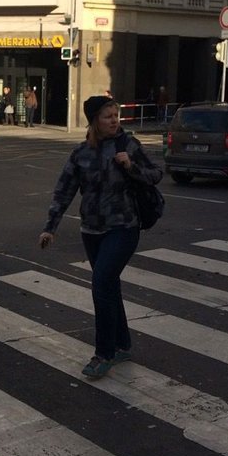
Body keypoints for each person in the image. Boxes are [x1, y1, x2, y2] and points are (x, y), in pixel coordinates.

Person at [38, 96, 163, 379]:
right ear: (94, 120)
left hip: (124, 228)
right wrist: (50, 227)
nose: (114, 120)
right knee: (109, 287)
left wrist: (131, 166)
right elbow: (64, 191)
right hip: (91, 231)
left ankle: (103, 353)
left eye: (116, 115)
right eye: (108, 116)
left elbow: (156, 174)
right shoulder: (80, 153)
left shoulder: (128, 145)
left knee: (101, 283)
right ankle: (122, 344)